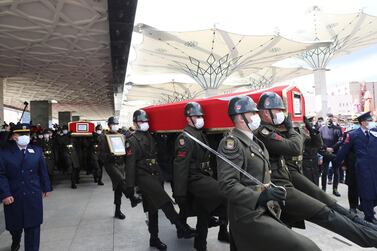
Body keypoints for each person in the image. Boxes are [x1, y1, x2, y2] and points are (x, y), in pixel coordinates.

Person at [254, 91, 377, 248]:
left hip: (291, 177)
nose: (282, 114)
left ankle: (371, 230)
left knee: (334, 207)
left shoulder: (279, 129)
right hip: (280, 184)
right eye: (278, 110)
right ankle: (372, 238)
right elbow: (295, 148)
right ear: (266, 112)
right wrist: (291, 129)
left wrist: (311, 130)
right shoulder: (264, 132)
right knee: (327, 214)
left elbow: (314, 145)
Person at [217, 95, 320, 251]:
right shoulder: (231, 143)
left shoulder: (256, 142)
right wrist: (259, 196)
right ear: (239, 117)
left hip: (265, 208)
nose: (257, 117)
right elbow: (227, 185)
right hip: (247, 213)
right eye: (253, 113)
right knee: (306, 247)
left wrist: (272, 190)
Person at [125, 110, 196, 250]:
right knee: (164, 200)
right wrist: (129, 188)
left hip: (155, 174)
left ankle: (154, 238)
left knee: (153, 209)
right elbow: (130, 165)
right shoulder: (131, 141)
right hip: (143, 176)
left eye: (146, 121)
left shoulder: (152, 137)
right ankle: (181, 227)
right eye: (141, 121)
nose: (144, 124)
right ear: (135, 123)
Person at [173, 102, 228, 251]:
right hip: (194, 178)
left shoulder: (199, 134)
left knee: (203, 210)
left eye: (201, 116)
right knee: (225, 193)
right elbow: (180, 168)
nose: (200, 119)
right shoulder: (184, 138)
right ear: (188, 119)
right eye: (197, 116)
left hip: (203, 177)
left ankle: (200, 244)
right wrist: (179, 194)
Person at [0, 123, 51, 251]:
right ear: (13, 136)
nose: (24, 137)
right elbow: (1, 175)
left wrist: (45, 187)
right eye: (21, 134)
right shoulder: (4, 153)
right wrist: (5, 194)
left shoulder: (37, 150)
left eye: (27, 134)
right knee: (15, 227)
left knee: (33, 228)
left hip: (32, 193)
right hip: (13, 195)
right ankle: (16, 239)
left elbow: (42, 171)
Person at [335, 112, 377, 223]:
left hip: (374, 167)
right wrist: (337, 162)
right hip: (363, 168)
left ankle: (364, 207)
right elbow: (344, 150)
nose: (371, 122)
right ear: (363, 122)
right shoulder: (353, 135)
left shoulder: (374, 133)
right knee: (367, 191)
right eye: (369, 121)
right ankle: (369, 216)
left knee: (374, 191)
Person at [98, 117, 141, 220]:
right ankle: (132, 198)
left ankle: (118, 211)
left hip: (121, 164)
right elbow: (101, 155)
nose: (115, 126)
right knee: (121, 181)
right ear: (109, 125)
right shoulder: (103, 137)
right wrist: (110, 156)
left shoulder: (121, 136)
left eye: (116, 124)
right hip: (111, 164)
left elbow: (125, 149)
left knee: (118, 188)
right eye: (113, 124)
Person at [319, 113, 342, 196]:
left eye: (330, 118)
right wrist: (326, 148)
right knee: (324, 172)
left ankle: (335, 189)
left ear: (333, 118)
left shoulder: (338, 129)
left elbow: (340, 140)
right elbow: (320, 141)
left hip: (335, 152)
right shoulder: (321, 129)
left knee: (336, 172)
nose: (329, 119)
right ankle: (323, 189)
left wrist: (333, 148)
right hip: (325, 153)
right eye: (328, 118)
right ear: (325, 119)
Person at [56, 125, 80, 189]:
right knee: (71, 168)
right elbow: (60, 142)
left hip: (74, 154)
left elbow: (77, 144)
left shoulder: (72, 136)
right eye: (64, 130)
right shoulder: (61, 137)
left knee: (75, 168)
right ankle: (73, 183)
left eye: (66, 130)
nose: (65, 131)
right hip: (66, 154)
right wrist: (66, 135)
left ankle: (75, 180)